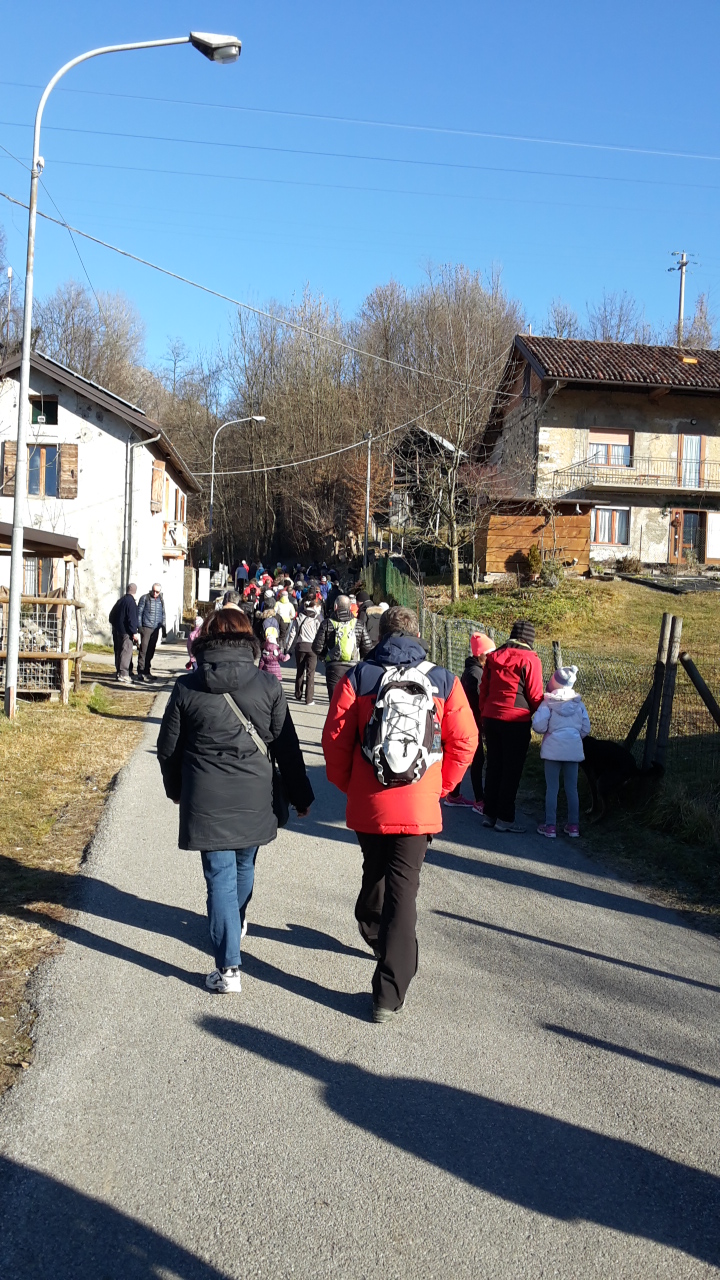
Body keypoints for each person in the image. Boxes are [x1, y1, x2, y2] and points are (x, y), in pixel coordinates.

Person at [322, 605, 477, 1022]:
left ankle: (375, 932)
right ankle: (388, 996)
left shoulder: (359, 677)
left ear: (380, 634)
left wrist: (351, 786)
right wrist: (441, 787)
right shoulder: (444, 680)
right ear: (417, 633)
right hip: (419, 803)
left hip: (369, 800)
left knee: (374, 874)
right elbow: (466, 740)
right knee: (403, 893)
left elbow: (335, 740)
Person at [157, 608, 314, 993]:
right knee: (244, 864)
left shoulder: (188, 686)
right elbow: (287, 747)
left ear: (206, 639)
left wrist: (176, 790)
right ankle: (236, 922)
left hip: (206, 796)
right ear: (249, 639)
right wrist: (300, 796)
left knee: (219, 877)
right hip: (256, 794)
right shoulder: (268, 684)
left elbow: (168, 748)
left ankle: (228, 969)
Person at [478, 619, 544, 833]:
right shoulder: (530, 659)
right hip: (516, 720)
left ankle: (489, 813)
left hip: (491, 717)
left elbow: (484, 689)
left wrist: (484, 712)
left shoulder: (493, 657)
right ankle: (505, 818)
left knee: (494, 765)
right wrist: (540, 712)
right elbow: (535, 694)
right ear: (530, 640)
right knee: (511, 770)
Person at [532, 665, 590, 838]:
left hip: (553, 750)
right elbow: (585, 728)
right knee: (572, 788)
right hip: (573, 750)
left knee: (552, 788)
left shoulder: (548, 703)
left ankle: (550, 826)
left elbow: (539, 726)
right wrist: (574, 736)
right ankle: (573, 826)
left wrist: (550, 732)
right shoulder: (579, 704)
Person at [444, 631, 496, 813]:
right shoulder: (477, 674)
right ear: (482, 654)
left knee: (469, 758)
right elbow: (478, 700)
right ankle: (479, 800)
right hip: (472, 721)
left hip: (467, 720)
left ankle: (454, 795)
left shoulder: (471, 670)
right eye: (490, 653)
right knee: (477, 759)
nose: (492, 657)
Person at [313, 594, 372, 698]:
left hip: (334, 667)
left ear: (335, 606)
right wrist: (357, 657)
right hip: (353, 667)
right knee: (351, 700)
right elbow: (368, 648)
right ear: (350, 607)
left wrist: (326, 656)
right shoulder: (359, 624)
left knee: (334, 700)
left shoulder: (327, 623)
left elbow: (316, 647)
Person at [285, 591, 323, 704]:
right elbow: (320, 634)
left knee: (300, 671)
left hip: (300, 646)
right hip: (312, 648)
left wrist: (288, 648)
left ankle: (298, 694)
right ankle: (309, 699)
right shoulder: (317, 618)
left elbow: (292, 634)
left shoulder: (299, 617)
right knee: (311, 673)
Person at [109, 582, 140, 685]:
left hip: (118, 631)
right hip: (126, 632)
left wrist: (116, 626)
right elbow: (132, 619)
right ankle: (124, 674)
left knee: (119, 651)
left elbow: (111, 616)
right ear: (135, 591)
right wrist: (134, 632)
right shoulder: (131, 602)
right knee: (126, 652)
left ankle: (119, 672)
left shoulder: (120, 600)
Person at [135, 582, 166, 682]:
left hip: (156, 628)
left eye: (157, 592)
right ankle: (140, 671)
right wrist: (140, 627)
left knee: (151, 650)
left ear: (160, 592)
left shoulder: (161, 600)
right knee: (143, 650)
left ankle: (147, 671)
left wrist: (163, 628)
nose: (155, 593)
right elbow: (139, 613)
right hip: (146, 627)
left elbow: (163, 614)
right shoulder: (145, 598)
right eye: (153, 591)